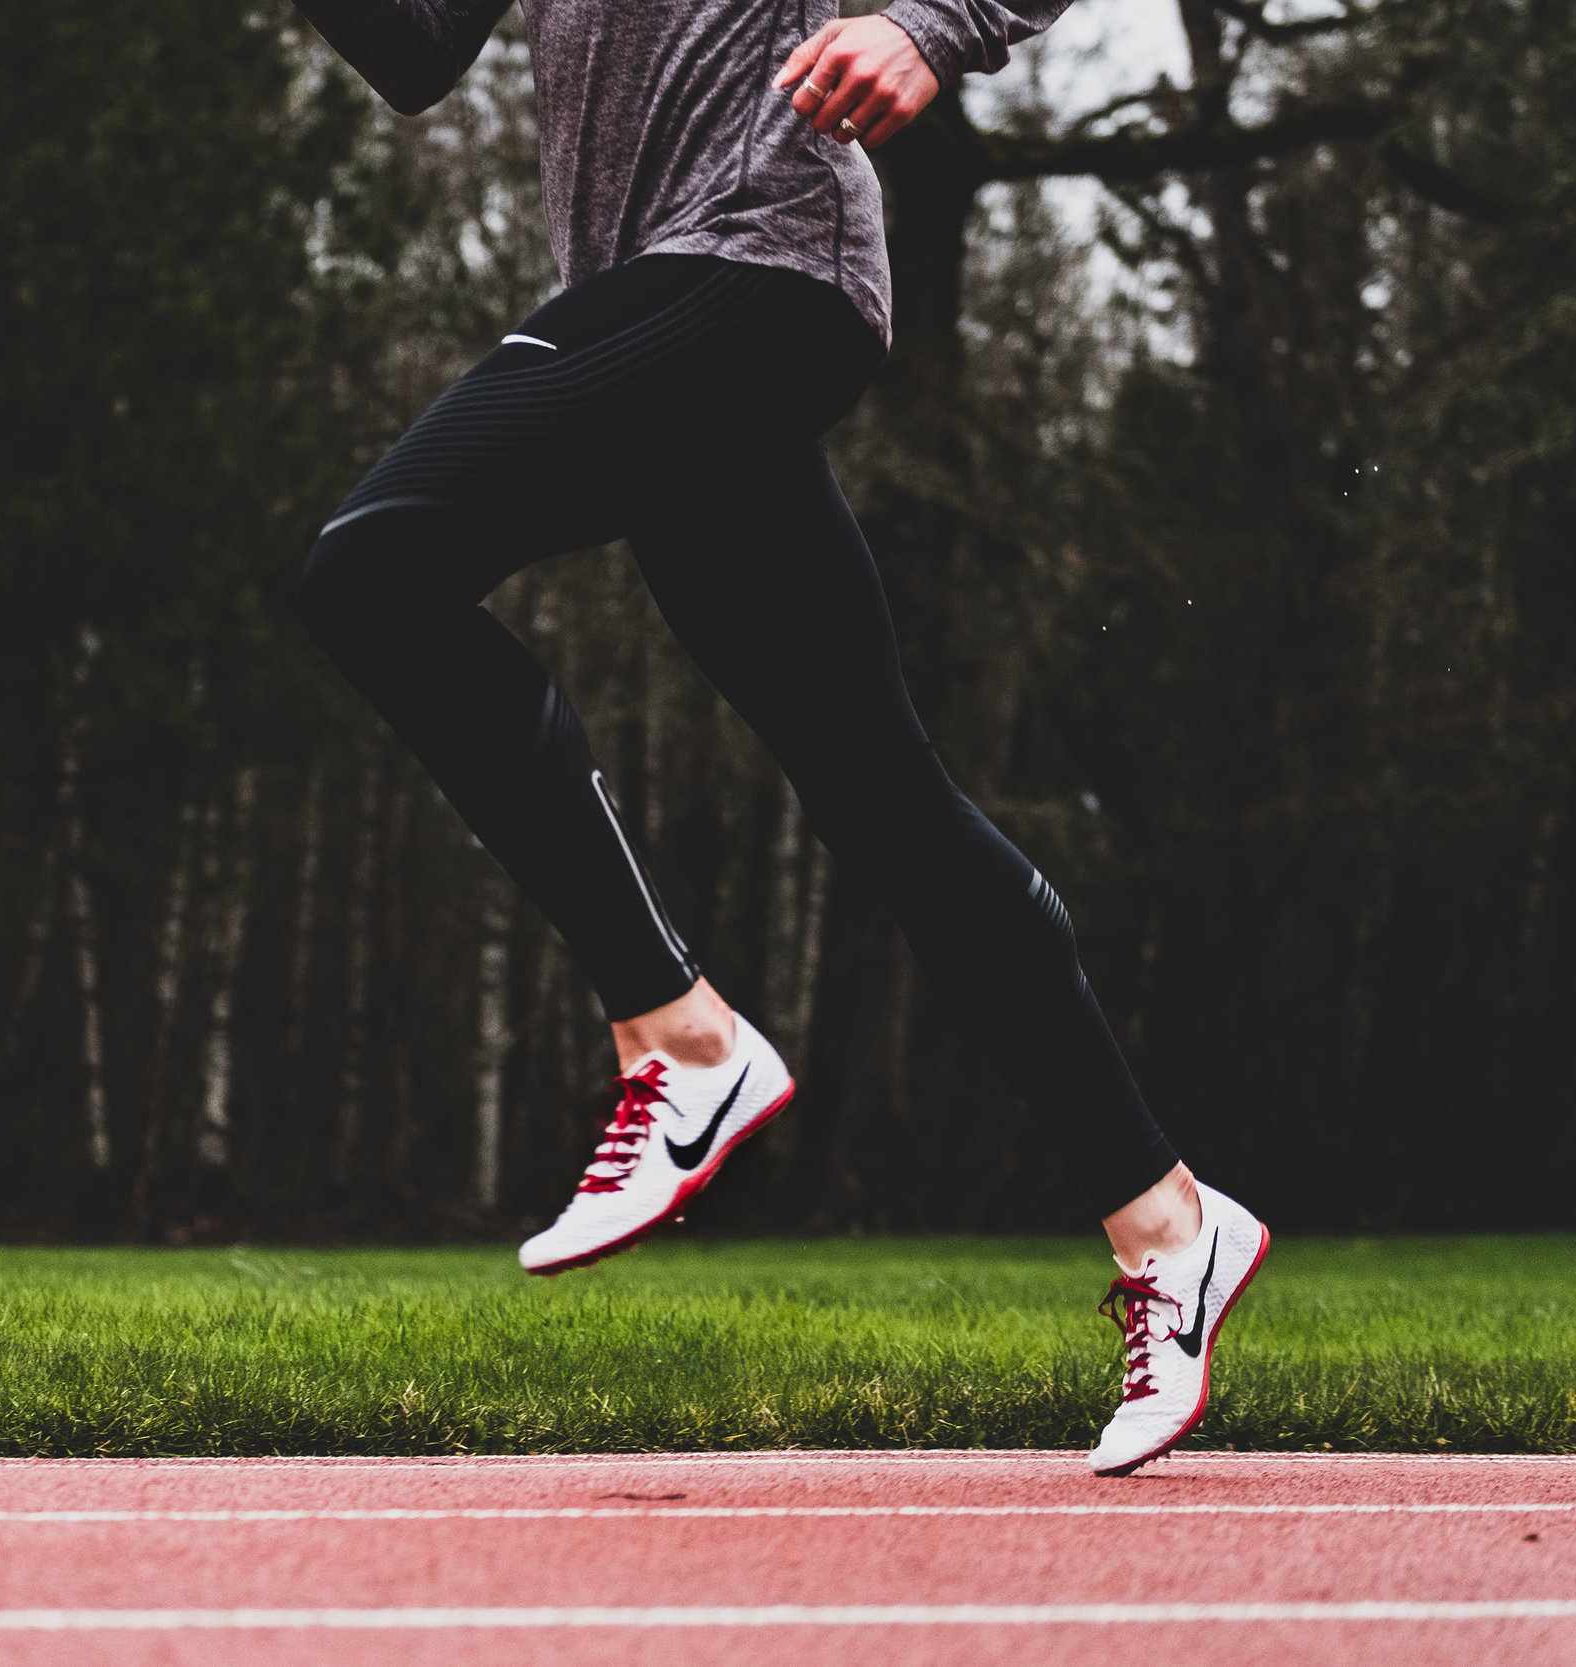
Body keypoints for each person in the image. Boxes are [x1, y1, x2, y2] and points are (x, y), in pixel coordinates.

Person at [289, 0, 1268, 1475]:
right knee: (885, 802)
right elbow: (422, 57)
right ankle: (1169, 1219)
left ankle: (681, 1038)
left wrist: (932, 28)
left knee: (372, 568)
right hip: (665, 313)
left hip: (758, 265)